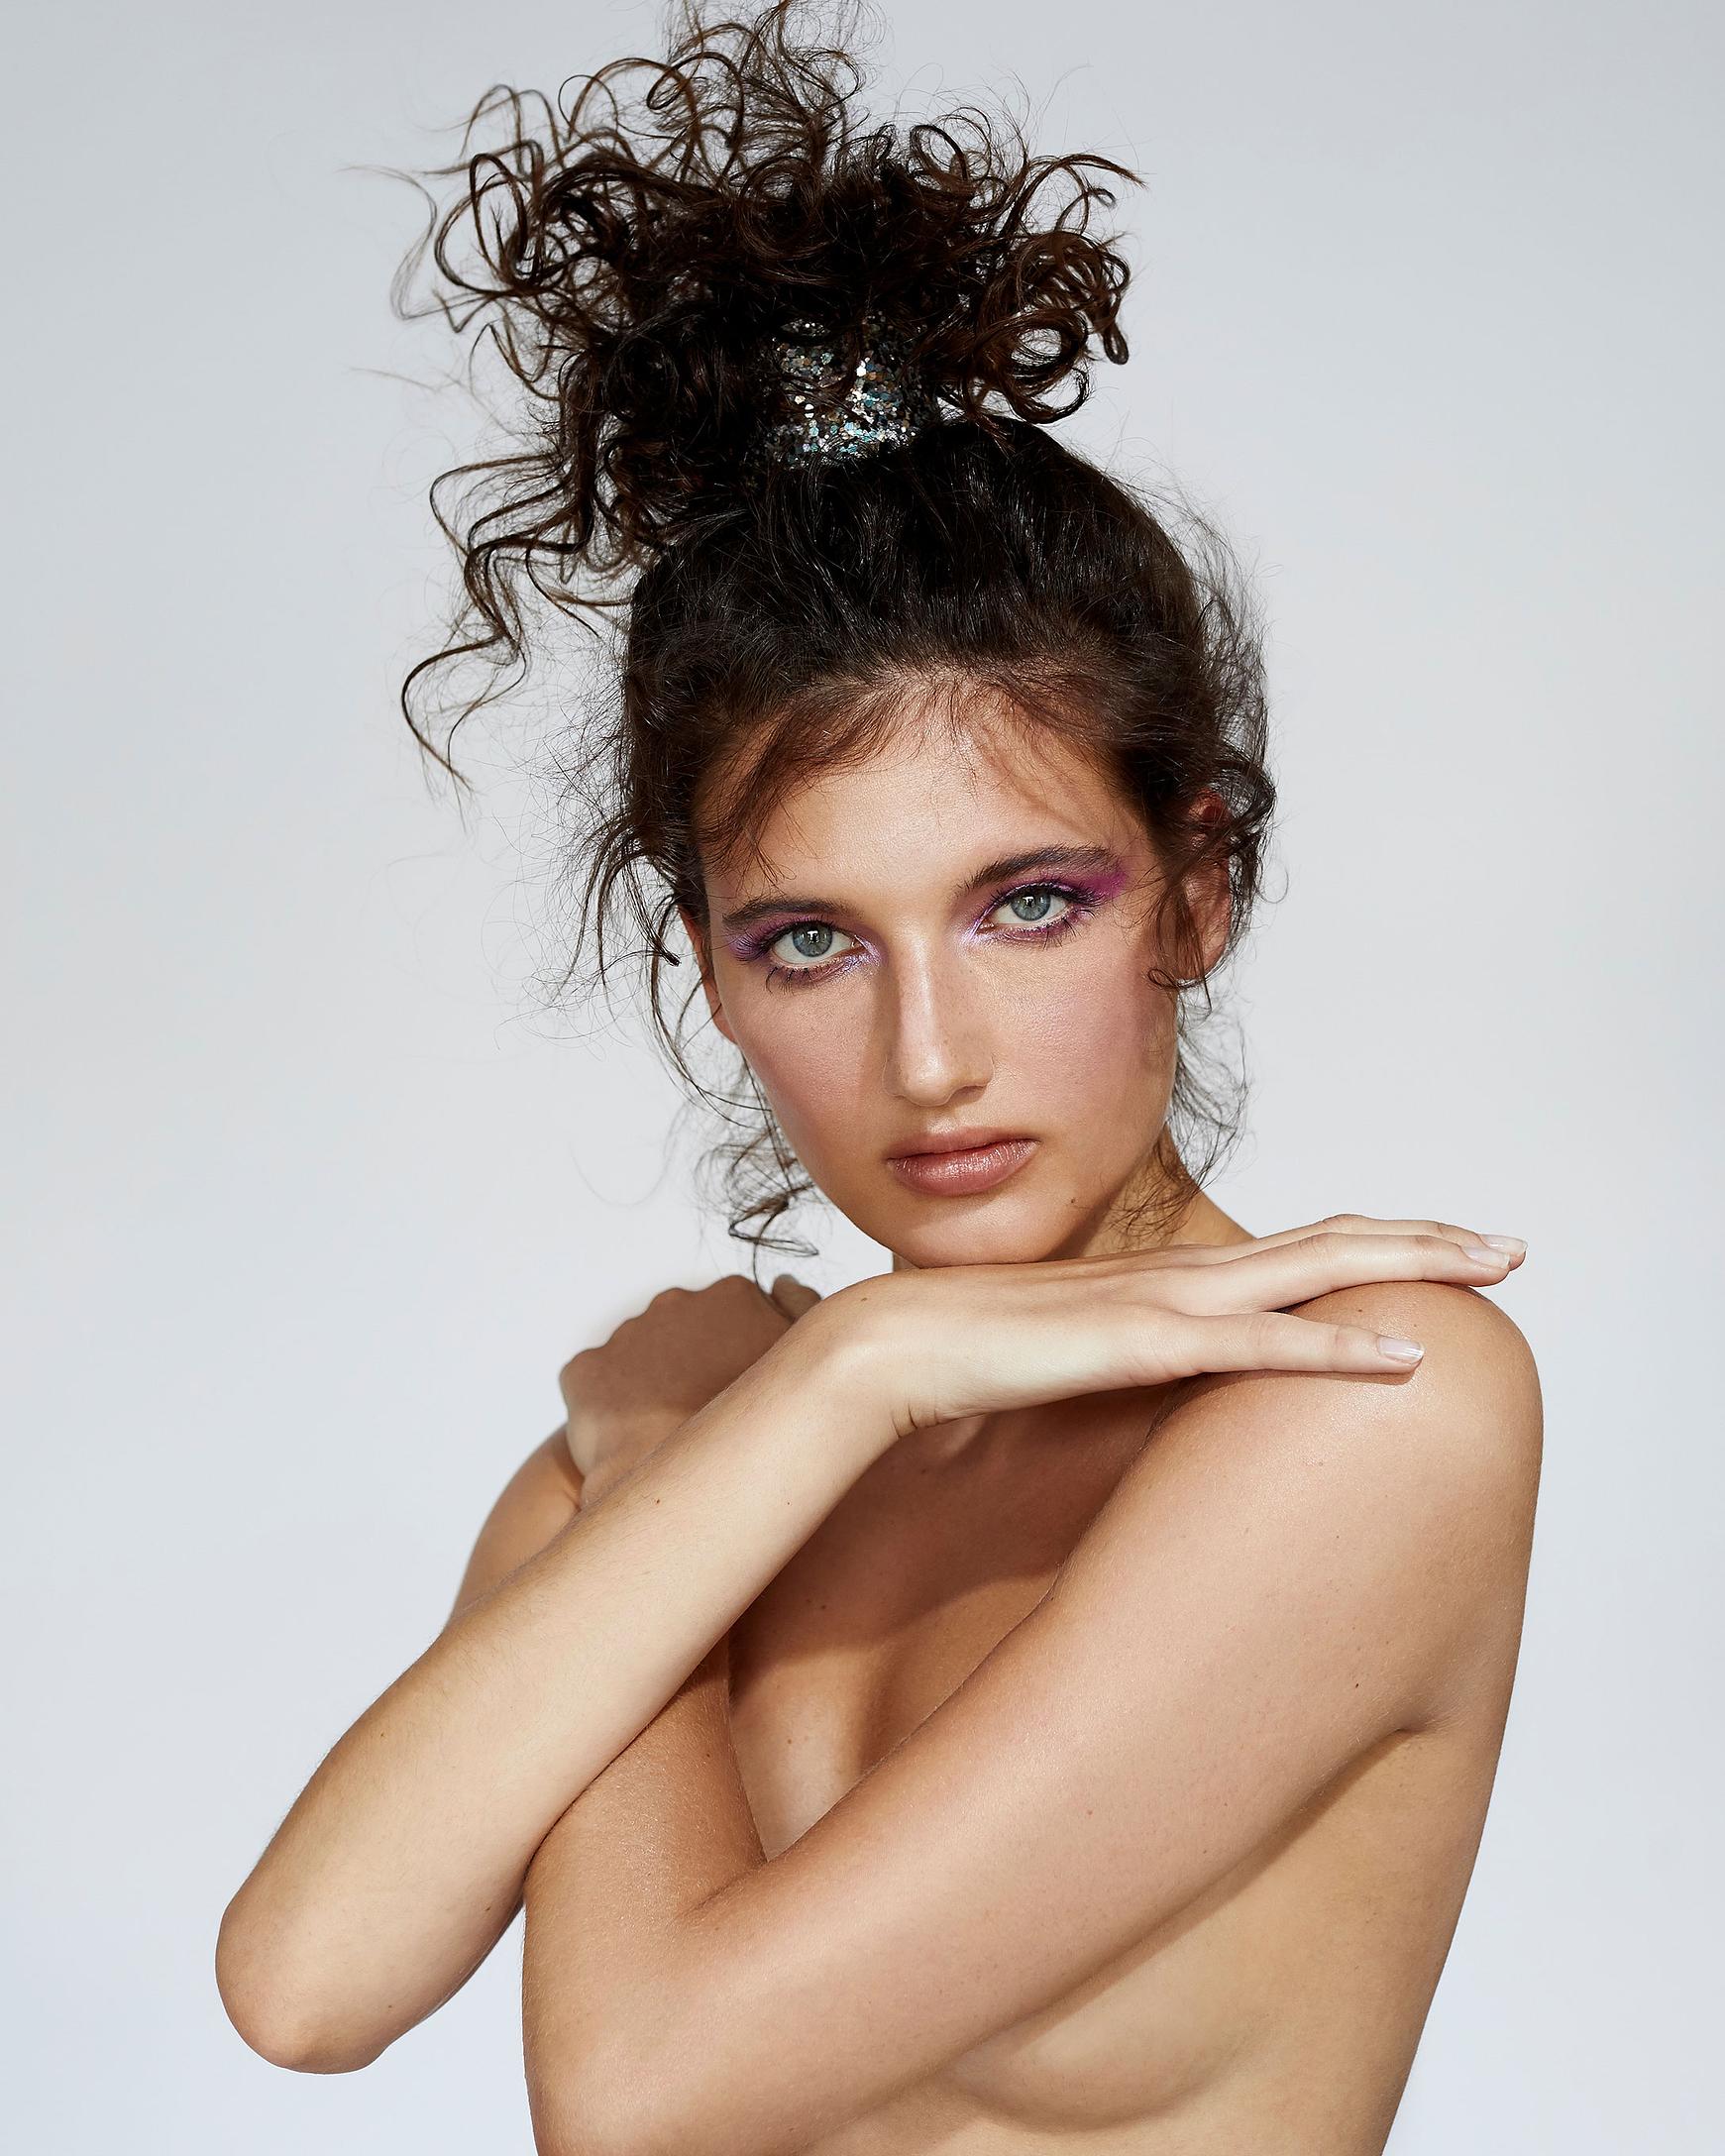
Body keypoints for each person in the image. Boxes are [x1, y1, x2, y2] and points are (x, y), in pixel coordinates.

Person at [214, 4, 1543, 2149]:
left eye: (1030, 902)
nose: (927, 1056)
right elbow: (301, 1983)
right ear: (707, 969)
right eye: (809, 939)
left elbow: (643, 2091)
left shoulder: (1369, 1398)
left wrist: (706, 1456)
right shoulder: (705, 1436)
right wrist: (821, 1392)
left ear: (1195, 885)